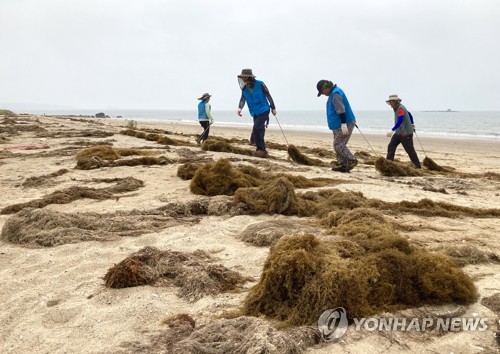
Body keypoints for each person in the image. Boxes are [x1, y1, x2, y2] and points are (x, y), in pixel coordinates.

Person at [316, 80, 358, 172]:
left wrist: (344, 124)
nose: (322, 94)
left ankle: (352, 160)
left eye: (322, 92)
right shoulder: (333, 93)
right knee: (337, 144)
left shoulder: (335, 94)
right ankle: (343, 164)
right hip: (338, 125)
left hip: (344, 123)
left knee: (338, 145)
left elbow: (341, 110)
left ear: (326, 88)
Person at [237, 69, 276, 158]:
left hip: (264, 109)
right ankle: (263, 150)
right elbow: (242, 99)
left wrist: (273, 107)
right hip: (254, 112)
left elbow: (268, 95)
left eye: (243, 77)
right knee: (260, 130)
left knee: (256, 128)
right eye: (241, 77)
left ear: (248, 77)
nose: (242, 78)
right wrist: (239, 108)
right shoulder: (244, 88)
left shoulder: (260, 84)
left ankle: (259, 149)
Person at [385, 94, 421, 168]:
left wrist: (392, 130)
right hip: (398, 133)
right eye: (390, 103)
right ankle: (388, 164)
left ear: (395, 101)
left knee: (410, 151)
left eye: (391, 102)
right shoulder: (397, 108)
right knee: (391, 146)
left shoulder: (400, 108)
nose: (390, 105)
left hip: (406, 134)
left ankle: (418, 166)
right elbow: (409, 114)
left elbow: (401, 119)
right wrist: (412, 124)